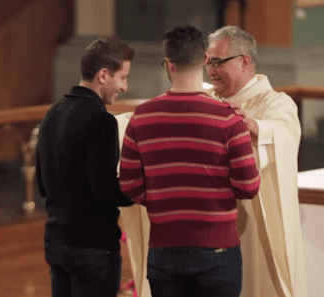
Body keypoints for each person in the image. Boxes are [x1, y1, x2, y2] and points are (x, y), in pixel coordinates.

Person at [119, 25, 261, 297]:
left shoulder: (142, 117)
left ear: (169, 64)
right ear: (205, 59)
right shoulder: (229, 119)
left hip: (164, 250)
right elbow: (248, 187)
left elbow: (129, 185)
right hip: (218, 251)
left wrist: (166, 198)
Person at [206, 25, 306, 297]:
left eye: (217, 62)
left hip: (256, 223)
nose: (211, 70)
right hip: (212, 226)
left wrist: (256, 127)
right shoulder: (206, 100)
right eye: (207, 62)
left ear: (245, 61)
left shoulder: (276, 103)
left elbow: (286, 133)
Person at [36, 37, 135, 297]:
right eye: (122, 77)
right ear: (104, 75)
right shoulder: (101, 120)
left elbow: (42, 186)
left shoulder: (52, 113)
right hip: (92, 249)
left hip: (56, 244)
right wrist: (141, 190)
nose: (124, 87)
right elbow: (104, 191)